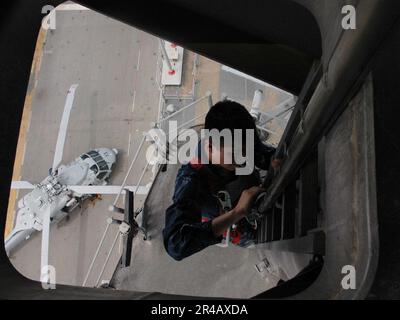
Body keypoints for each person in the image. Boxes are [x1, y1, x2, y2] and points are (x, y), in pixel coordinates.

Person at [163, 100, 280, 261]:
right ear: (210, 146)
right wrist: (236, 213)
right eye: (236, 155)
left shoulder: (239, 140)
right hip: (236, 224)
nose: (244, 159)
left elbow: (263, 155)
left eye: (247, 151)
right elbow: (175, 244)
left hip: (257, 197)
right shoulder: (192, 179)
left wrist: (275, 162)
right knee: (258, 241)